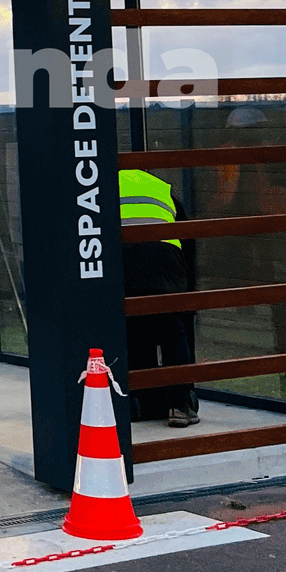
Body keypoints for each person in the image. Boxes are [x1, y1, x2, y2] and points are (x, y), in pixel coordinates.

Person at [120, 166, 199, 428]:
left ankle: (132, 398)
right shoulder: (158, 187)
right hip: (165, 261)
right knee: (171, 330)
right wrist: (188, 294)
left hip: (123, 262)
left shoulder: (99, 184)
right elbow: (188, 239)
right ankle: (179, 405)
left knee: (128, 328)